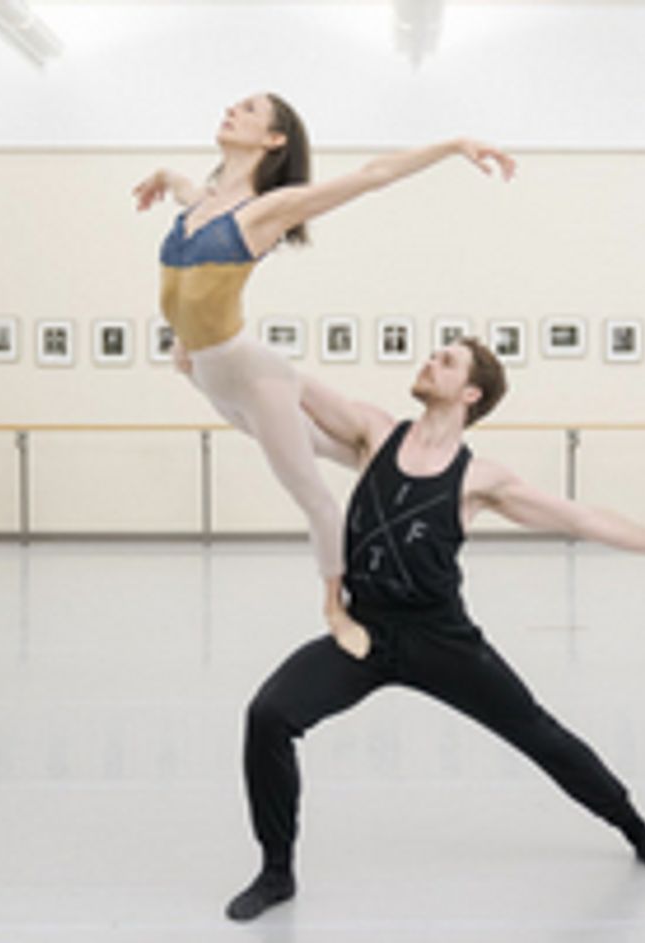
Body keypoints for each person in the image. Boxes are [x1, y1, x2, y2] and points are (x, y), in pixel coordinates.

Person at [225, 337, 645, 921]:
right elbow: (287, 381)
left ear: (470, 394)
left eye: (446, 361)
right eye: (433, 354)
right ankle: (276, 871)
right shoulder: (373, 432)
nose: (429, 361)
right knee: (269, 715)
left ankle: (638, 831)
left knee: (541, 735)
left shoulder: (480, 479)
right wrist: (217, 345)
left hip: (440, 639)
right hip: (363, 633)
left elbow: (583, 518)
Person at [133, 93, 515, 649]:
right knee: (348, 452)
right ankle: (411, 478)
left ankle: (338, 609)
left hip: (250, 372)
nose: (231, 110)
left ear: (275, 139)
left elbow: (373, 175)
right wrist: (164, 175)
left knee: (309, 492)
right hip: (207, 373)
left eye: (249, 109)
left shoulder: (268, 209)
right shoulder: (202, 204)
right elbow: (185, 188)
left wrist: (454, 144)